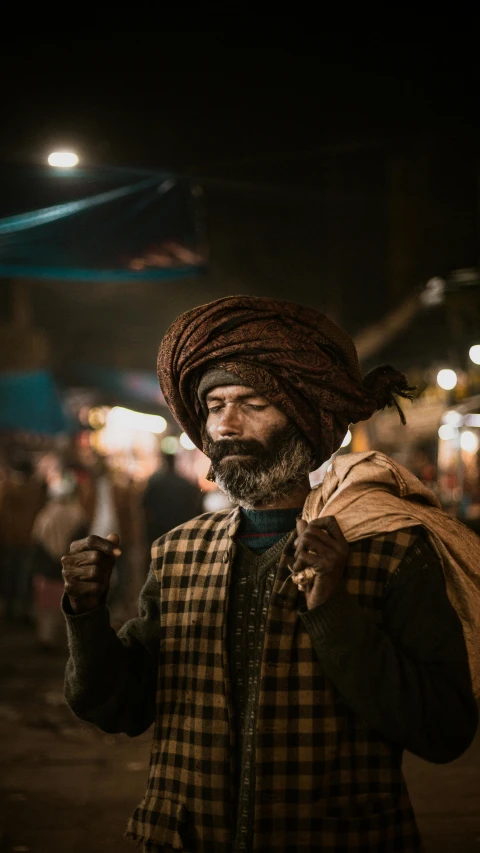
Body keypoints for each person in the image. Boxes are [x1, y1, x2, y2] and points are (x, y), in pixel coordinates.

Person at [61, 296, 479, 853]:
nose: (226, 424)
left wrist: (333, 609)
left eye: (251, 402)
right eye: (214, 405)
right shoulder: (178, 553)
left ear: (303, 414)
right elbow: (118, 706)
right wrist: (87, 615)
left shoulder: (389, 551)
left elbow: (443, 729)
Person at [31, 470, 87, 649]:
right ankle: (67, 639)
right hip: (68, 564)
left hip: (46, 565)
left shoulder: (46, 514)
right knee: (67, 602)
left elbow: (37, 539)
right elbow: (82, 540)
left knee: (46, 605)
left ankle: (45, 637)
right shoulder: (77, 513)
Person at [141, 450, 202, 546]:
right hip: (180, 528)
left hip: (160, 529)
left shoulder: (155, 483)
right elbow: (194, 506)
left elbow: (146, 507)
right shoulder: (185, 484)